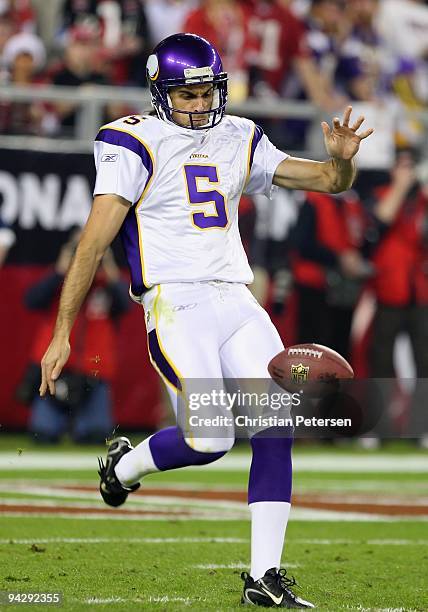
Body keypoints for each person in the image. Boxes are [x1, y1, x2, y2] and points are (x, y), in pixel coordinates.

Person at [39, 33, 373, 608]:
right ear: (160, 91)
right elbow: (93, 243)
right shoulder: (132, 141)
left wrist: (341, 162)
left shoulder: (239, 133)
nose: (199, 104)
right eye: (187, 94)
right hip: (175, 301)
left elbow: (325, 181)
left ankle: (264, 577)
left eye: (207, 91)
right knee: (209, 438)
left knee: (274, 422)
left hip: (237, 299)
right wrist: (62, 331)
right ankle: (125, 467)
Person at [25, 230, 129, 443]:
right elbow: (32, 300)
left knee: (95, 436)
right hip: (55, 370)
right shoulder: (56, 283)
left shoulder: (105, 285)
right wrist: (60, 270)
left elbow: (125, 304)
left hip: (94, 371)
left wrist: (107, 265)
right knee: (43, 435)